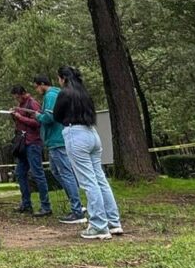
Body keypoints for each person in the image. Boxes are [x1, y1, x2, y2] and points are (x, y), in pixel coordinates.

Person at [53, 65, 123, 239]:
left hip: (75, 135)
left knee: (88, 182)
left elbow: (56, 116)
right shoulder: (84, 93)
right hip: (92, 133)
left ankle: (99, 225)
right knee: (100, 179)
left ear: (63, 78)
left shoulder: (65, 93)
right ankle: (113, 222)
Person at [34, 74, 87, 224]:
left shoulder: (51, 95)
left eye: (36, 87)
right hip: (55, 140)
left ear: (42, 84)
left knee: (66, 173)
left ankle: (77, 210)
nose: (37, 90)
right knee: (57, 171)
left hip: (57, 140)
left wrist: (38, 116)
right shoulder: (58, 93)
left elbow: (50, 118)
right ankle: (75, 202)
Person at [9, 85, 51, 216]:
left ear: (22, 93)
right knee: (20, 172)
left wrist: (20, 117)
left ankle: (46, 206)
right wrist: (14, 116)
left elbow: (37, 123)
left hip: (33, 143)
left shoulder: (32, 104)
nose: (16, 99)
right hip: (22, 143)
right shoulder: (21, 105)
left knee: (37, 173)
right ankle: (26, 203)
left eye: (17, 97)